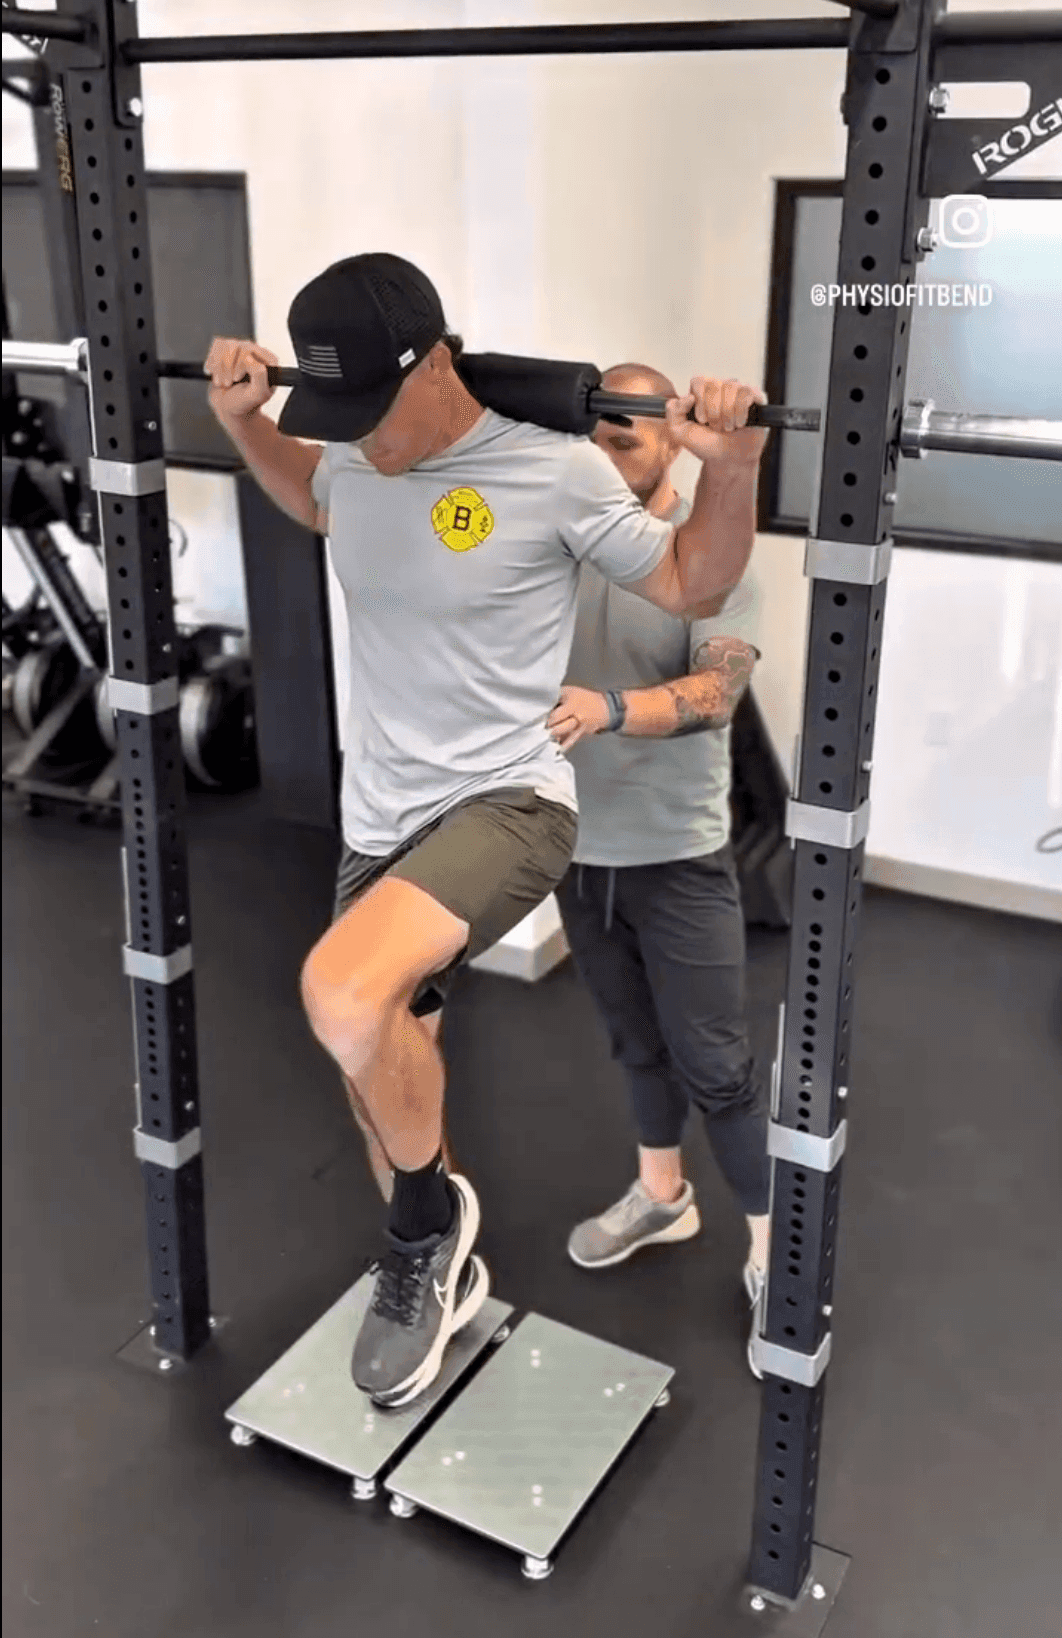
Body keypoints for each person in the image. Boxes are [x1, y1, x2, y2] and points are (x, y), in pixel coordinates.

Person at [205, 252, 769, 1410]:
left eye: (373, 407)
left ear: (441, 364)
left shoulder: (553, 471)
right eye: (341, 416)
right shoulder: (355, 462)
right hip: (381, 812)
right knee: (381, 1059)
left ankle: (420, 1234)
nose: (363, 437)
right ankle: (442, 1266)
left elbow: (692, 585)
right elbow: (311, 494)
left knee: (343, 995)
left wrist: (735, 468)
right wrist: (242, 423)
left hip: (507, 801)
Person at [545, 363, 770, 1377]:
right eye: (594, 436)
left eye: (625, 439)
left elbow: (718, 693)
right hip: (573, 846)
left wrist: (610, 709)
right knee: (634, 1045)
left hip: (677, 857)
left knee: (715, 1066)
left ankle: (777, 1257)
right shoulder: (563, 537)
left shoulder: (710, 553)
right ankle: (663, 1198)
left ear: (674, 442)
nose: (603, 454)